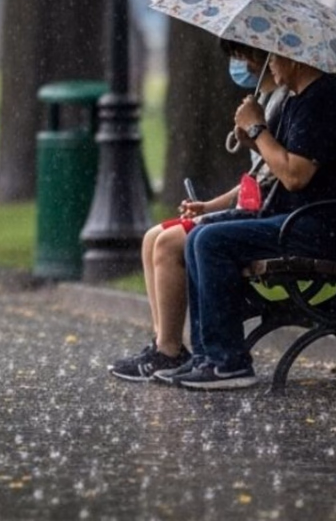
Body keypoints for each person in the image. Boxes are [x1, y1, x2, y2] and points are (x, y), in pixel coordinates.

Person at [109, 41, 288, 381]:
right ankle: (165, 342)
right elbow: (255, 179)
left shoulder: (280, 104)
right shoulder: (262, 102)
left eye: (239, 56)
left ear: (257, 60)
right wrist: (209, 206)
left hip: (266, 216)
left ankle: (171, 350)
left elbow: (277, 176)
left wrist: (257, 129)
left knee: (169, 244)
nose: (235, 65)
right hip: (253, 207)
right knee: (151, 238)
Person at [167, 54, 336, 390]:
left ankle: (229, 362)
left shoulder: (323, 99)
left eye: (275, 55)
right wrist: (252, 139)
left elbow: (295, 176)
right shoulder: (297, 100)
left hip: (316, 228)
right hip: (291, 219)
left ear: (296, 58)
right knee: (199, 233)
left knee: (212, 242)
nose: (268, 63)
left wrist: (258, 129)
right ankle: (208, 357)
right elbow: (278, 165)